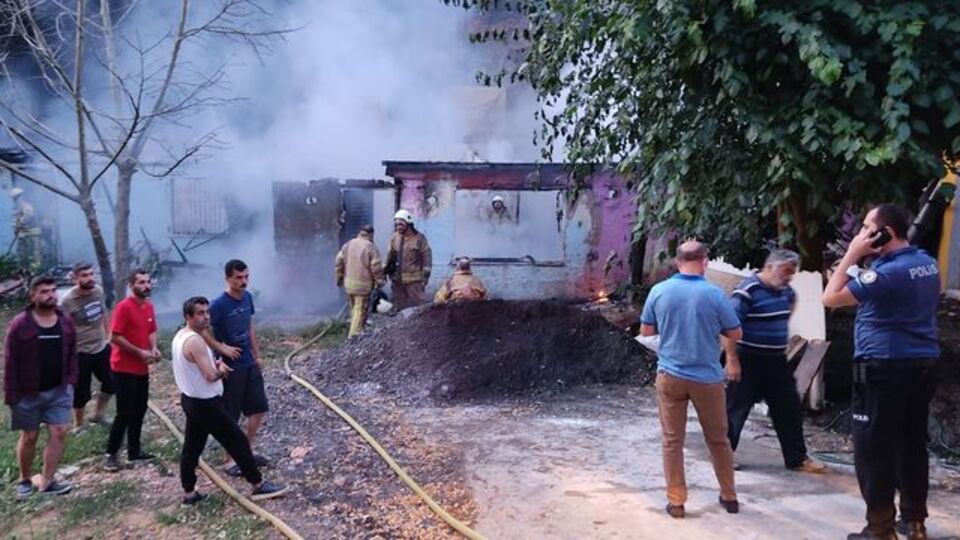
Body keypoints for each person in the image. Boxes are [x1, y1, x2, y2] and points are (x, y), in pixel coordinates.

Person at [823, 204, 940, 540]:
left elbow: (830, 298)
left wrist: (851, 254)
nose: (860, 232)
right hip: (921, 365)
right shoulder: (926, 264)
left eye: (866, 227)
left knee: (873, 448)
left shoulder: (886, 274)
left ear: (883, 233)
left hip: (881, 368)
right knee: (912, 444)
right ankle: (915, 522)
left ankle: (880, 529)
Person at [639, 240, 743, 519]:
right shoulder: (715, 294)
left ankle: (676, 502)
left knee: (672, 441)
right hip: (707, 379)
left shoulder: (659, 291)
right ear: (705, 262)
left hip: (670, 375)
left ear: (676, 262)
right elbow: (736, 334)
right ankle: (729, 496)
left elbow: (646, 331)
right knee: (718, 439)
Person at [173, 297, 288, 504]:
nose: (205, 316)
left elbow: (196, 366)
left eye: (207, 312)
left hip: (190, 399)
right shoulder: (195, 341)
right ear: (188, 316)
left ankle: (189, 493)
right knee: (238, 440)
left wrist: (213, 362)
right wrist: (221, 371)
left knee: (192, 446)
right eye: (199, 313)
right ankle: (258, 484)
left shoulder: (181, 336)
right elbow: (210, 376)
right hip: (206, 403)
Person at [726, 249, 827, 474]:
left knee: (789, 408)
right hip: (748, 359)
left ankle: (797, 458)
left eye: (792, 273)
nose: (789, 277)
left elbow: (786, 315)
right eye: (785, 271)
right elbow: (728, 326)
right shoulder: (747, 290)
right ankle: (723, 455)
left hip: (776, 361)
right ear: (769, 266)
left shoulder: (787, 293)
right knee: (735, 410)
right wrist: (732, 359)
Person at [4, 276, 78, 498]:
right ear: (33, 295)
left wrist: (71, 381)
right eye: (44, 291)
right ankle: (25, 479)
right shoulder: (20, 324)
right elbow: (9, 361)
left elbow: (73, 352)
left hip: (59, 389)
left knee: (59, 432)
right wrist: (12, 394)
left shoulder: (65, 321)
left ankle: (47, 481)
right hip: (28, 392)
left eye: (54, 291)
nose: (51, 295)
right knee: (30, 436)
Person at [204, 259, 269, 477]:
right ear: (228, 278)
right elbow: (202, 329)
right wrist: (220, 348)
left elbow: (249, 327)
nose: (243, 281)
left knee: (258, 409)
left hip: (248, 363)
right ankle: (230, 459)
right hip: (230, 368)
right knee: (231, 415)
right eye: (238, 278)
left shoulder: (248, 298)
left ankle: (246, 451)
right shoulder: (218, 305)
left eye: (246, 277)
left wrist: (257, 355)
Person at [104, 269, 160, 471]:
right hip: (123, 368)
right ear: (131, 285)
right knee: (124, 412)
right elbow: (114, 337)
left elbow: (151, 329)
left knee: (140, 409)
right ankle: (111, 454)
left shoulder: (148, 306)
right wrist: (138, 352)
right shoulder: (123, 307)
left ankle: (134, 451)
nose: (146, 285)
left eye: (148, 282)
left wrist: (153, 349)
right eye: (142, 282)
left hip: (141, 368)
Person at [60, 262, 113, 429]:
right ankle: (78, 424)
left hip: (101, 346)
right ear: (75, 278)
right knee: (82, 391)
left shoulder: (97, 291)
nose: (90, 278)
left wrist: (109, 336)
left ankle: (98, 415)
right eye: (84, 275)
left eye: (91, 274)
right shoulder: (68, 300)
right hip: (80, 352)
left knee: (112, 382)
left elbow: (104, 313)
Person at [335, 225, 385, 337]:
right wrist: (380, 281)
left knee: (354, 310)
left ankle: (359, 330)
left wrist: (339, 278)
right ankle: (353, 337)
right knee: (360, 310)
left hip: (348, 284)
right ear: (371, 234)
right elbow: (376, 267)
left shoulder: (348, 244)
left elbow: (338, 262)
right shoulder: (370, 246)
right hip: (362, 286)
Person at [385, 209, 432, 310]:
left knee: (419, 305)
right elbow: (390, 256)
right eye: (396, 225)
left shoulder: (419, 238)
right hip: (398, 279)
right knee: (399, 305)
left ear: (408, 224)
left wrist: (425, 277)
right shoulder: (395, 238)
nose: (398, 227)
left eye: (401, 224)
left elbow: (427, 257)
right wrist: (387, 271)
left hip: (414, 280)